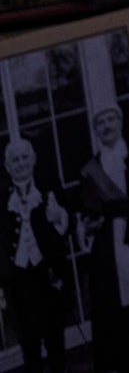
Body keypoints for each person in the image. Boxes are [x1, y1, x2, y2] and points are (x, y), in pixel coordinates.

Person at [69, 105, 129, 372]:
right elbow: (86, 210)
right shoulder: (91, 169)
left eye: (111, 119)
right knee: (113, 308)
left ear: (120, 122)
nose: (106, 126)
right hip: (108, 245)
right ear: (95, 130)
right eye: (100, 123)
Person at [0, 135, 71, 373]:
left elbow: (67, 227)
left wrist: (58, 216)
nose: (20, 163)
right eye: (15, 160)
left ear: (33, 159)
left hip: (48, 276)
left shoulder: (49, 185)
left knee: (55, 342)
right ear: (7, 166)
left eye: (24, 157)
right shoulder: (1, 198)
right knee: (29, 346)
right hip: (18, 282)